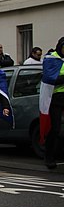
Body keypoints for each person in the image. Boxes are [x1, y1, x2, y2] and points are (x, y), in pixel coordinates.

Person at [41, 37, 64, 170]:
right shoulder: (51, 58)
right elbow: (50, 78)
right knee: (55, 128)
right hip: (55, 97)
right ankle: (49, 156)